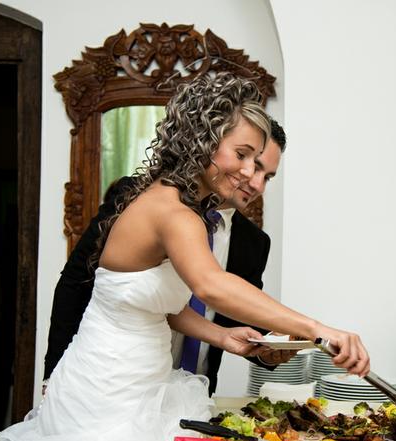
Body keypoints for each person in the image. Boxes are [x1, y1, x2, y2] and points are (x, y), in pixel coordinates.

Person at [0, 73, 370, 441]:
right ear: (204, 139)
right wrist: (319, 329)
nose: (248, 173)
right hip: (106, 396)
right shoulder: (173, 212)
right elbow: (211, 286)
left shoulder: (173, 203)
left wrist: (222, 336)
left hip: (146, 391)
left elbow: (156, 304)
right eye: (242, 154)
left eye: (257, 163)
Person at [43, 119, 291, 396]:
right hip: (115, 381)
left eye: (267, 176)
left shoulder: (254, 243)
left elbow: (237, 317)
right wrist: (54, 372)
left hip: (193, 392)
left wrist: (268, 349)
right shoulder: (139, 197)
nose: (256, 183)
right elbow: (77, 280)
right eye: (253, 164)